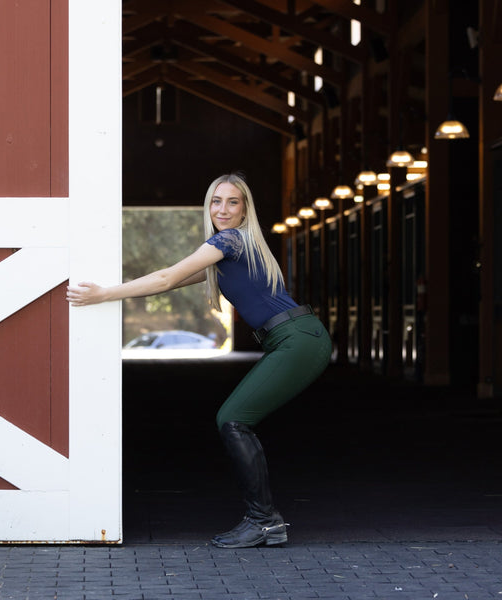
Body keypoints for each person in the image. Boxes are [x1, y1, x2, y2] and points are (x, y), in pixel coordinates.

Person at [66, 173, 332, 548]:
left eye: (233, 202)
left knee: (233, 419)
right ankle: (264, 521)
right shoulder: (229, 252)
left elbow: (165, 278)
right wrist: (115, 291)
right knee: (235, 419)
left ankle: (264, 521)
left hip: (297, 339)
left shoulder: (230, 240)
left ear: (245, 210)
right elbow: (172, 282)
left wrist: (104, 294)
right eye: (216, 201)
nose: (223, 209)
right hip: (294, 338)